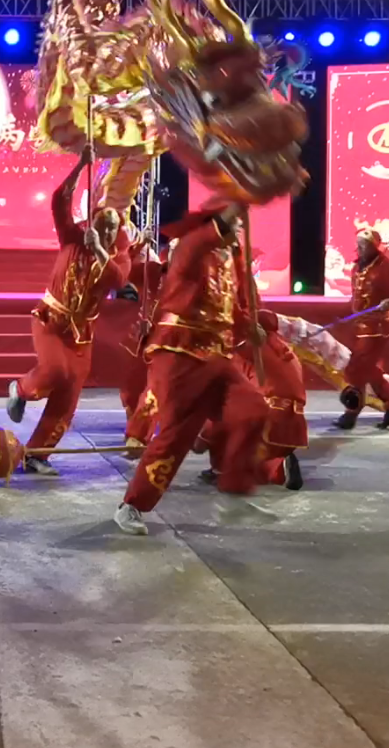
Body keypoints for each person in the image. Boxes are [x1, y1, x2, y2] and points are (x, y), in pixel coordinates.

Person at [114, 206, 268, 535]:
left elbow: (228, 308)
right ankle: (132, 505)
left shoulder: (228, 260)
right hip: (181, 354)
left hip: (217, 356)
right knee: (175, 436)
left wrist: (248, 327)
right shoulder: (189, 249)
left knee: (253, 409)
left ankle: (233, 491)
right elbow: (202, 240)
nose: (238, 229)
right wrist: (237, 199)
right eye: (232, 223)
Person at [4, 146, 131, 474]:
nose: (107, 231)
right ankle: (21, 389)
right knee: (54, 371)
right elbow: (59, 200)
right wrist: (80, 165)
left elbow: (118, 280)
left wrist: (99, 248)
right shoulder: (72, 236)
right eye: (102, 224)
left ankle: (37, 454)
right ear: (92, 222)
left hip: (82, 335)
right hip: (50, 320)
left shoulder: (118, 254)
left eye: (112, 228)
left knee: (68, 398)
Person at [199, 309, 308, 491]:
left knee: (221, 418)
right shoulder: (285, 349)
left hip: (269, 418)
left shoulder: (243, 352)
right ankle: (278, 462)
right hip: (294, 424)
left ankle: (222, 469)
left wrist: (202, 437)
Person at [335, 228, 389, 430]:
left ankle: (352, 411)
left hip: (378, 327)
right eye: (358, 245)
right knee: (369, 369)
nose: (360, 249)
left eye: (364, 245)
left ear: (374, 247)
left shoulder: (387, 268)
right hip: (359, 325)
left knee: (357, 367)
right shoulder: (357, 267)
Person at [118, 230, 166, 453]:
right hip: (141, 337)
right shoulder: (150, 271)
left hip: (168, 342)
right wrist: (140, 244)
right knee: (132, 387)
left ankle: (139, 435)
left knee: (155, 388)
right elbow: (123, 268)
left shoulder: (189, 280)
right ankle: (134, 427)